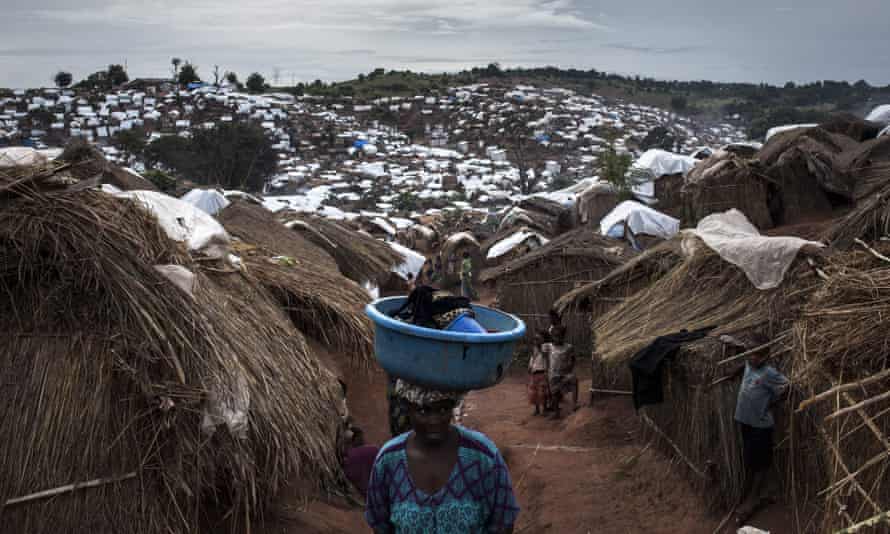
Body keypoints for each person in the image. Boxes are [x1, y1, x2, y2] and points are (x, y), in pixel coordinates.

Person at [366, 380, 520, 534]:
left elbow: (503, 523)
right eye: (424, 411)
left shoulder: (483, 456)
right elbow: (380, 525)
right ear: (407, 408)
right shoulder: (387, 461)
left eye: (443, 409)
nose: (435, 421)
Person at [728, 333, 789, 525]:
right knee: (750, 460)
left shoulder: (769, 373)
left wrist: (773, 403)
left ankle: (753, 499)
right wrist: (736, 369)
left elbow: (788, 386)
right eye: (750, 353)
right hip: (745, 422)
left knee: (761, 464)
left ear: (765, 356)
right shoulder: (748, 364)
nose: (751, 357)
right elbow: (744, 363)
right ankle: (749, 492)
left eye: (757, 355)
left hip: (761, 427)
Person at [544, 325, 578, 419]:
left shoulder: (568, 347)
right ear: (552, 337)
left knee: (574, 380)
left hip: (565, 374)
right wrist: (546, 372)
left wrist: (570, 366)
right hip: (553, 374)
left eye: (559, 336)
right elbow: (546, 359)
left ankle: (574, 405)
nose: (557, 338)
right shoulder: (549, 346)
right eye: (555, 336)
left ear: (563, 337)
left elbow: (573, 359)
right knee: (554, 394)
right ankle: (556, 413)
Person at [527, 331, 551, 416]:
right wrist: (530, 366)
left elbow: (545, 356)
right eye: (535, 339)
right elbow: (533, 358)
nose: (535, 341)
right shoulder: (535, 348)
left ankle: (544, 409)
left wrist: (540, 347)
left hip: (542, 372)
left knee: (542, 392)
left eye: (538, 339)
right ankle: (537, 409)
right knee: (534, 392)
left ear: (543, 339)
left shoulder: (546, 347)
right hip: (534, 372)